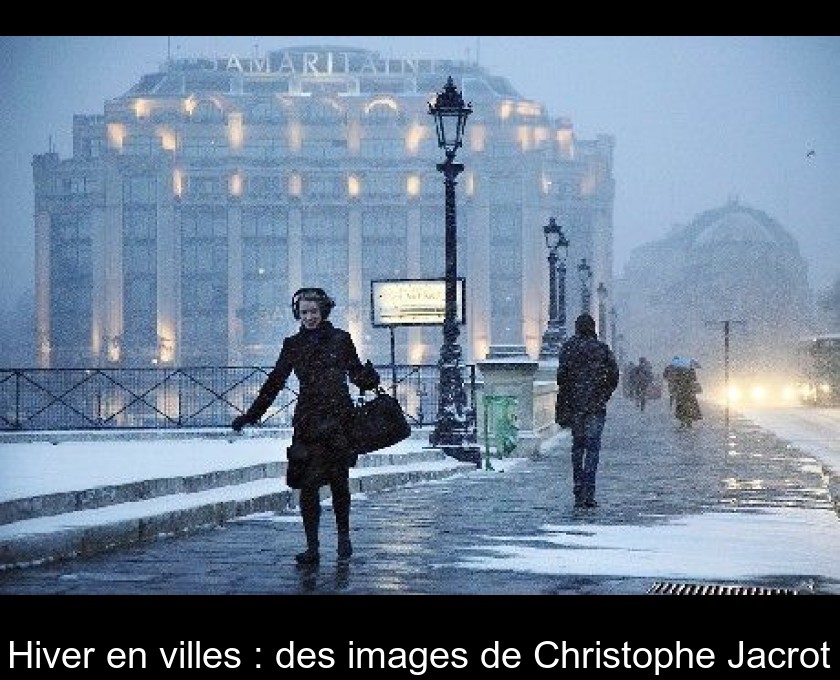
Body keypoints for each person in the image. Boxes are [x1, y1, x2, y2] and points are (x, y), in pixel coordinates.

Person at [231, 287, 380, 566]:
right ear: (297, 315)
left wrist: (369, 377)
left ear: (323, 311)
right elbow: (275, 381)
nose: (309, 317)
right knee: (307, 485)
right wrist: (251, 414)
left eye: (313, 311)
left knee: (339, 481)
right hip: (309, 421)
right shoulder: (292, 344)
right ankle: (312, 547)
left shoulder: (341, 339)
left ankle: (343, 537)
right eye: (304, 313)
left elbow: (357, 375)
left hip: (338, 419)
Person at [555, 313, 620, 509]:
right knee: (593, 448)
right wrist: (604, 393)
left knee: (578, 446)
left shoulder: (569, 348)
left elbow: (561, 376)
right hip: (595, 406)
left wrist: (571, 393)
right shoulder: (601, 349)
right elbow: (614, 375)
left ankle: (577, 485)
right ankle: (589, 490)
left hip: (575, 405)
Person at [669, 357, 703, 429]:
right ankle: (689, 423)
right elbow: (694, 380)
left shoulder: (677, 371)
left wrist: (676, 388)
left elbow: (675, 381)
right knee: (690, 407)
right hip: (690, 392)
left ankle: (682, 423)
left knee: (681, 407)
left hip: (681, 392)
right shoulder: (691, 370)